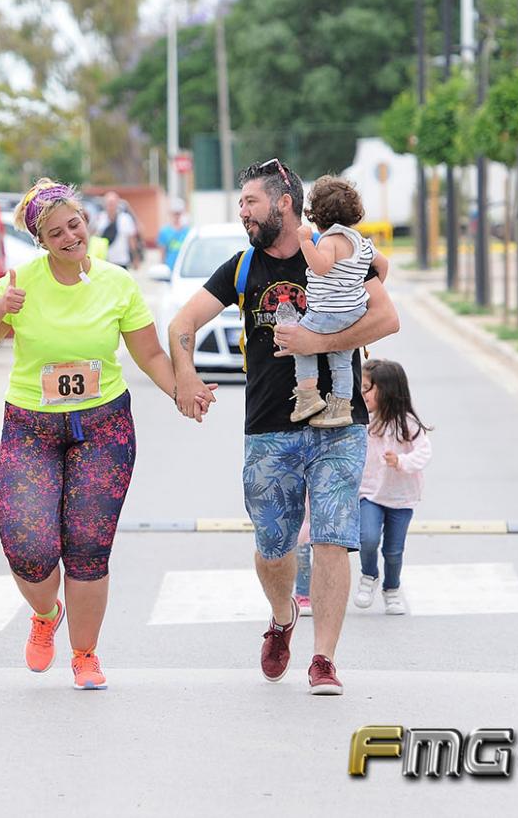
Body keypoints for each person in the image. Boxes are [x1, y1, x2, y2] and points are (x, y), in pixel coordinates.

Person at [0, 179, 211, 691]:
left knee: (88, 548)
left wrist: (182, 387)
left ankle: (85, 653)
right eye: (56, 232)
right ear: (42, 241)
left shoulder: (117, 282)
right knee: (27, 545)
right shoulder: (18, 282)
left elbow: (151, 355)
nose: (70, 236)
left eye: (74, 224)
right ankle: (45, 614)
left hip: (103, 426)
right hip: (32, 426)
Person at [168, 158, 399, 695]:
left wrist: (317, 344)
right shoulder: (243, 269)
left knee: (333, 538)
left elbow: (387, 318)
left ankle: (324, 659)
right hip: (269, 425)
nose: (243, 212)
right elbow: (182, 322)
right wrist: (185, 377)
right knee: (273, 545)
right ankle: (281, 618)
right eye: (241, 203)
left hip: (340, 422)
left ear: (283, 203)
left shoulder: (336, 255)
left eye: (250, 201)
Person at [288, 176, 388, 428]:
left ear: (316, 216)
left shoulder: (328, 241)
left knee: (300, 342)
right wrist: (359, 294)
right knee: (341, 360)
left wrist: (304, 242)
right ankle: (341, 407)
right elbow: (383, 264)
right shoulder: (360, 242)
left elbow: (321, 267)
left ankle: (309, 396)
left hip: (326, 311)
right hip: (352, 312)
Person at [356, 359, 432, 616]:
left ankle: (392, 589)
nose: (362, 393)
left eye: (367, 388)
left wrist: (402, 462)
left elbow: (424, 453)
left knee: (393, 550)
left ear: (386, 390)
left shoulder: (407, 423)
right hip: (370, 493)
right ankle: (369, 575)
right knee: (367, 539)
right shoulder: (362, 421)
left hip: (401, 497)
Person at [93, 191, 141, 270]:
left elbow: (131, 240)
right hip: (104, 261)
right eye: (108, 203)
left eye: (113, 202)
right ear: (105, 204)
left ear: (117, 203)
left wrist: (135, 258)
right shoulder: (100, 218)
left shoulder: (125, 218)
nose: (111, 205)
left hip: (122, 261)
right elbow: (94, 238)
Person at [157, 197, 191, 271]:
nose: (177, 216)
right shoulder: (164, 231)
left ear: (183, 213)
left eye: (179, 213)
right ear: (171, 213)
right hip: (169, 269)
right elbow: (162, 254)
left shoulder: (189, 231)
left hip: (184, 270)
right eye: (175, 213)